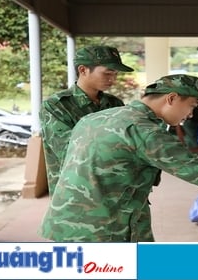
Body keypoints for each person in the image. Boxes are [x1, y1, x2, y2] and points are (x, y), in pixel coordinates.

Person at [39, 74, 198, 242]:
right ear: (171, 98)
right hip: (103, 230)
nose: (191, 115)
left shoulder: (98, 117)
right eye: (192, 106)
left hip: (66, 222)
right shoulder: (143, 130)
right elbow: (197, 168)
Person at [39, 45, 134, 197]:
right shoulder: (56, 106)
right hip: (74, 194)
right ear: (83, 70)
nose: (113, 79)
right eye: (107, 73)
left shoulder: (114, 104)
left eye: (115, 74)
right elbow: (71, 151)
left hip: (115, 191)